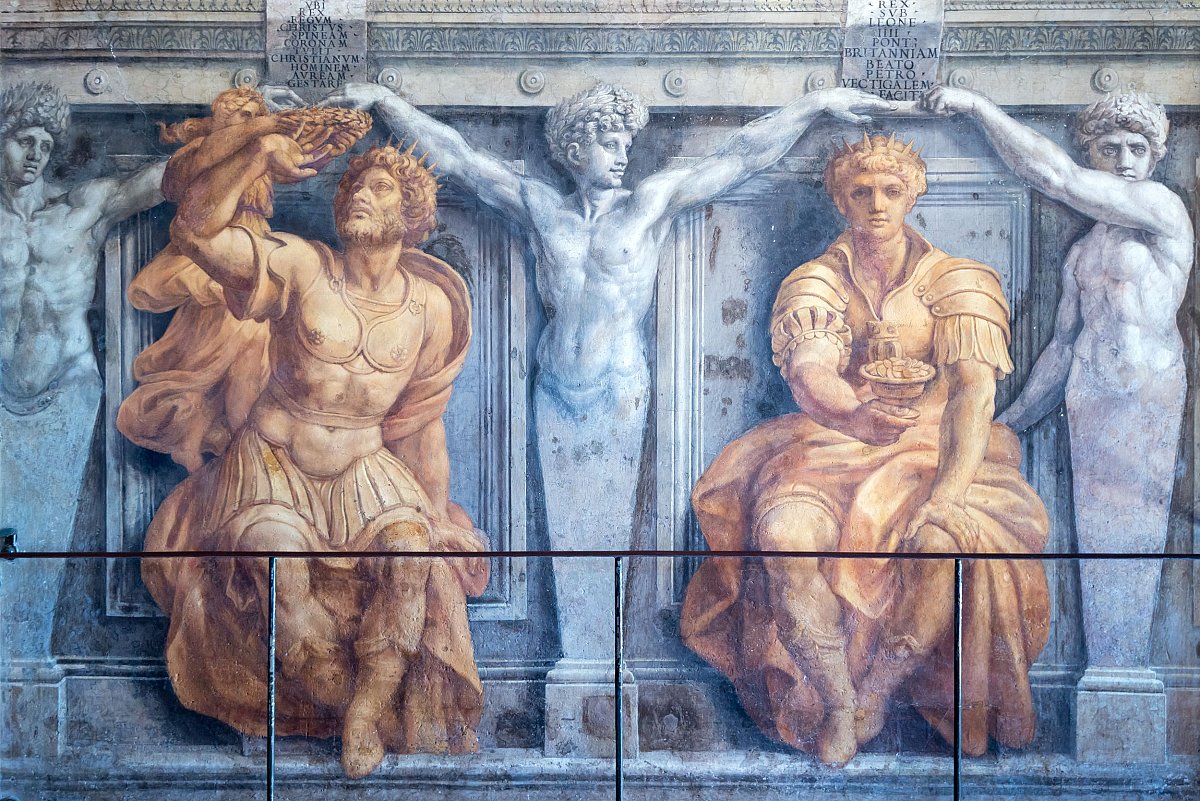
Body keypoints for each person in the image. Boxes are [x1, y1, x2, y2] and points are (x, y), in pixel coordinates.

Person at [322, 81, 895, 681]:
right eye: (609, 142)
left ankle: (598, 672)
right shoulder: (542, 207)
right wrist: (386, 103)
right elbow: (459, 157)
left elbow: (742, 154)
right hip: (555, 390)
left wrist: (811, 106)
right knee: (568, 542)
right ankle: (578, 667)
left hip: (619, 391)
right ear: (575, 150)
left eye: (625, 141)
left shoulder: (649, 202)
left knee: (606, 544)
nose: (623, 154)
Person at [680, 134, 1050, 766]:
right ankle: (835, 700)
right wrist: (854, 415)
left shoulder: (960, 282)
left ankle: (873, 695)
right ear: (841, 200)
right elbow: (810, 371)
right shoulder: (817, 281)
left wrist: (946, 495)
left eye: (891, 190)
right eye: (861, 192)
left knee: (941, 543)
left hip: (938, 453)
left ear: (913, 194)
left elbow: (972, 396)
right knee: (785, 537)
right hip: (830, 445)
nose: (877, 204)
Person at [139, 123, 488, 778]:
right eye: (354, 187)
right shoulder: (303, 266)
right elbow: (195, 233)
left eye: (379, 189)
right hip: (275, 463)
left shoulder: (432, 308)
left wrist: (437, 514)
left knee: (412, 559)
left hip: (367, 470)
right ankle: (349, 705)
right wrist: (254, 155)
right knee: (282, 571)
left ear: (412, 212)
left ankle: (365, 714)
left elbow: (420, 424)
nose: (359, 196)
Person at [919, 87, 1193, 673]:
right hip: (1090, 394)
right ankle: (1108, 676)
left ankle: (1124, 680)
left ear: (1156, 156)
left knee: (1132, 541)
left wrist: (979, 107)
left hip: (1145, 394)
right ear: (1092, 152)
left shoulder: (1162, 209)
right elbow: (1062, 349)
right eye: (1110, 148)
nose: (1124, 161)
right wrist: (1008, 424)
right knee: (1097, 545)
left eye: (1137, 149)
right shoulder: (1082, 255)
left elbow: (1058, 179)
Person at [0, 82, 165, 667]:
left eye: (46, 144)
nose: (36, 154)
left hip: (66, 388)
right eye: (24, 140)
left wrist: (237, 129)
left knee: (42, 540)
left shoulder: (80, 209)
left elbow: (159, 181)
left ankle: (27, 666)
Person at [118, 86, 286, 471]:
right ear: (222, 119)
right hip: (215, 252)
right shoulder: (203, 153)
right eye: (243, 115)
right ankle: (242, 449)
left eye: (255, 114)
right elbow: (177, 187)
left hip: (252, 250)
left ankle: (226, 448)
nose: (253, 122)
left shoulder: (260, 154)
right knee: (238, 351)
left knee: (243, 359)